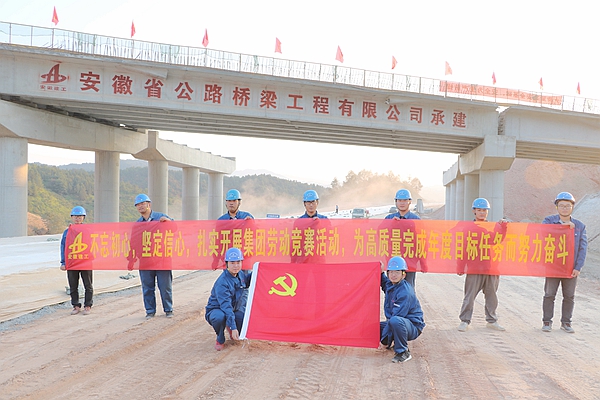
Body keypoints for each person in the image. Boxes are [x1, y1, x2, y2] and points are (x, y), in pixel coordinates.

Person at [457, 198, 507, 332]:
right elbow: (463, 248)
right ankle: (464, 321)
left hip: (490, 267)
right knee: (469, 296)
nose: (482, 213)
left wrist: (503, 227)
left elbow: (497, 240)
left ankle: (492, 320)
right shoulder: (469, 228)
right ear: (474, 211)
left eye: (484, 210)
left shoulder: (492, 227)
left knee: (492, 296)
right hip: (474, 268)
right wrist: (461, 266)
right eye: (479, 210)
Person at [541, 192, 587, 333]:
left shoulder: (579, 226)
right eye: (561, 205)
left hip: (570, 268)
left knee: (569, 296)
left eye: (568, 206)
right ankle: (547, 322)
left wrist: (578, 267)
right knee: (549, 294)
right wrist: (563, 228)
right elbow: (541, 233)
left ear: (572, 207)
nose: (565, 208)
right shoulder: (549, 221)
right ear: (557, 207)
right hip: (553, 267)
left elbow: (583, 248)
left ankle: (566, 323)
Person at [133, 193, 175, 319]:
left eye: (143, 203)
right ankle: (150, 311)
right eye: (138, 205)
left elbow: (175, 228)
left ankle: (168, 309)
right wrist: (131, 259)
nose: (140, 206)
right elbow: (134, 242)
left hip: (162, 258)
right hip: (145, 260)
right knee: (147, 287)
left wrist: (168, 222)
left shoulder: (160, 217)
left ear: (149, 204)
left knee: (165, 286)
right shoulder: (138, 224)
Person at [380, 256, 425, 363]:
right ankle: (391, 340)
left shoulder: (405, 292)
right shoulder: (392, 284)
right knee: (374, 327)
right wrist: (380, 272)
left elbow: (397, 316)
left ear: (403, 275)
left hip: (412, 326)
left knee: (395, 321)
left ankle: (403, 352)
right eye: (391, 272)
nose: (393, 275)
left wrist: (385, 339)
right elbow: (384, 283)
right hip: (399, 321)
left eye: (397, 272)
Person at [205, 247, 252, 351]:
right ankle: (220, 338)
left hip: (233, 308)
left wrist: (258, 271)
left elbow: (247, 281)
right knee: (219, 317)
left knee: (244, 324)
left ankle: (230, 326)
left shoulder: (240, 274)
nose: (236, 266)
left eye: (238, 262)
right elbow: (226, 306)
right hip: (217, 309)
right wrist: (233, 327)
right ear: (226, 264)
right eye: (232, 263)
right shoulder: (222, 282)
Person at [60, 206, 93, 315]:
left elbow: (93, 245)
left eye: (80, 216)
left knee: (88, 285)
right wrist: (63, 262)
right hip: (72, 262)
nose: (77, 218)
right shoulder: (67, 232)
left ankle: (87, 305)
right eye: (75, 216)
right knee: (73, 286)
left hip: (85, 262)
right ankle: (76, 306)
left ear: (83, 218)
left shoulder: (88, 230)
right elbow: (63, 247)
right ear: (72, 217)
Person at [384, 189, 421, 287]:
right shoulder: (389, 219)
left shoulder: (416, 220)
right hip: (392, 260)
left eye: (405, 200)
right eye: (399, 200)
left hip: (410, 261)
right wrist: (390, 225)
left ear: (410, 201)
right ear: (396, 202)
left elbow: (420, 241)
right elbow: (380, 235)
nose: (402, 203)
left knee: (408, 288)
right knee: (392, 288)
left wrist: (423, 263)